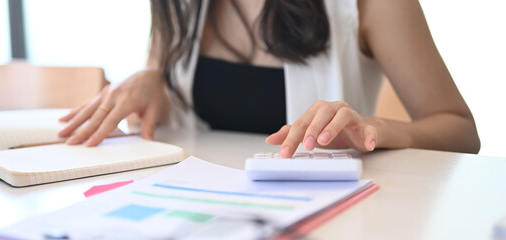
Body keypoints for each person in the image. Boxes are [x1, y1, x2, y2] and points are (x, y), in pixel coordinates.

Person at [58, 0, 480, 158]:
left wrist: (375, 127)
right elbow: (193, 117)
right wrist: (155, 82)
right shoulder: (178, 6)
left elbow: (461, 131)